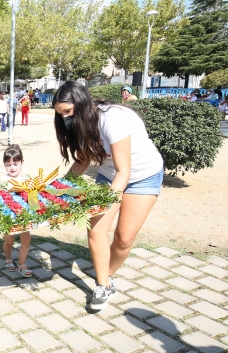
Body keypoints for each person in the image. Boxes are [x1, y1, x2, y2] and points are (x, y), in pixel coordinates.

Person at [53, 81, 164, 311]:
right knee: (96, 228)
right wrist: (59, 188)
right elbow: (83, 159)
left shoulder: (111, 119)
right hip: (109, 174)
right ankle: (103, 284)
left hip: (142, 175)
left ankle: (108, 272)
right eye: (60, 114)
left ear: (81, 104)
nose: (64, 118)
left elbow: (125, 171)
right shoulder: (82, 123)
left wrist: (106, 203)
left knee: (123, 238)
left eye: (67, 112)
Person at [1, 145, 32, 277]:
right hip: (9, 216)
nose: (12, 167)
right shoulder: (4, 180)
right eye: (8, 165)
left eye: (15, 163)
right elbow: (1, 197)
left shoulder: (27, 179)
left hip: (24, 216)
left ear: (22, 162)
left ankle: (21, 264)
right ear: (4, 165)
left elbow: (33, 197)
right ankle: (8, 259)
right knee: (9, 241)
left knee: (26, 241)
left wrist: (32, 189)